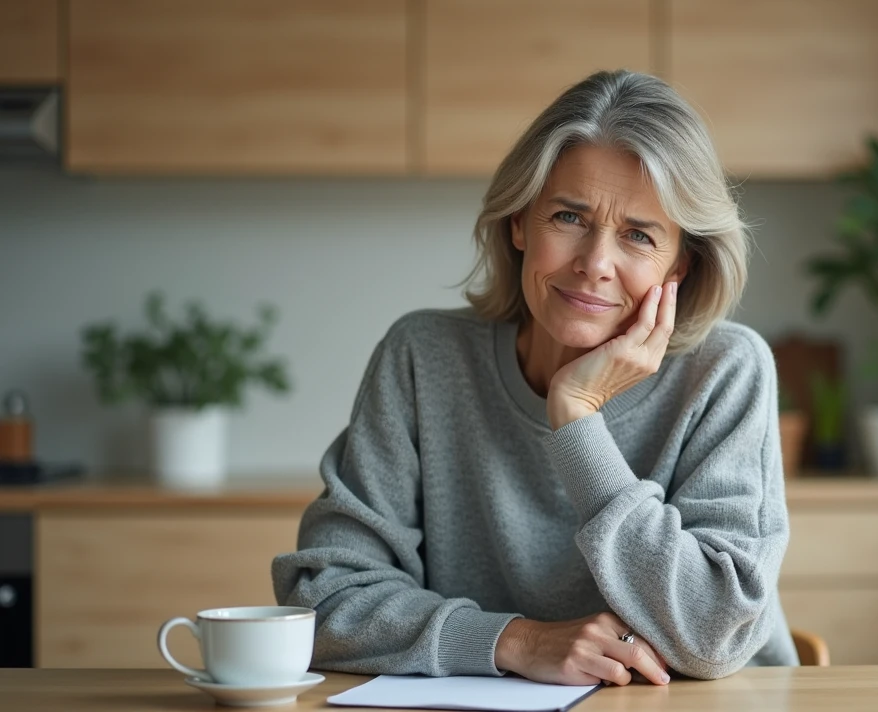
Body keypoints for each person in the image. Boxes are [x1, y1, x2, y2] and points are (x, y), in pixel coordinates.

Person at [272, 69, 799, 686]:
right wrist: (516, 642)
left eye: (637, 235)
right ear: (520, 222)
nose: (596, 264)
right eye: (569, 218)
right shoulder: (422, 357)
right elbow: (323, 598)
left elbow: (713, 634)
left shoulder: (725, 371)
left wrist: (577, 418)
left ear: (679, 262)